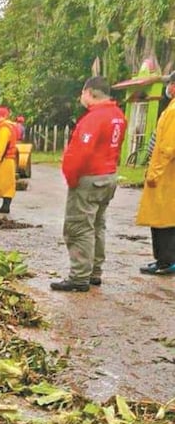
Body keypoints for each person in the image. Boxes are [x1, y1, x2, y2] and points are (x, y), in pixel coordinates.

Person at [52, 76, 127, 292]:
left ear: (90, 92)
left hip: (89, 177)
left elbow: (81, 152)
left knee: (79, 227)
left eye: (83, 93)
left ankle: (79, 276)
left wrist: (70, 176)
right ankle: (94, 272)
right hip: (108, 176)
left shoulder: (95, 118)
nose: (81, 97)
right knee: (97, 225)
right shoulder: (118, 116)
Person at [136, 74, 175, 275]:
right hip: (165, 173)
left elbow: (168, 148)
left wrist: (155, 173)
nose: (167, 88)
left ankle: (167, 261)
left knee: (164, 220)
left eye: (170, 84)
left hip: (166, 175)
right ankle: (162, 259)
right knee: (162, 218)